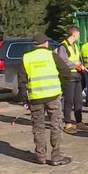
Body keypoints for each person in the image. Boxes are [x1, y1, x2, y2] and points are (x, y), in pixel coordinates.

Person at [18, 34, 72, 166]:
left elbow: (21, 81)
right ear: (46, 43)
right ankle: (56, 156)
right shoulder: (51, 56)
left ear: (34, 45)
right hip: (53, 96)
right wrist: (62, 90)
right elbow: (66, 73)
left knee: (38, 127)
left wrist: (24, 99)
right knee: (56, 125)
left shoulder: (26, 58)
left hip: (35, 98)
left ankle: (40, 156)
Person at [57, 25, 87, 134]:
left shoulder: (75, 45)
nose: (79, 36)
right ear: (74, 34)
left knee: (78, 100)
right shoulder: (63, 46)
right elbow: (63, 61)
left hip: (77, 76)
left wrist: (81, 67)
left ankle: (79, 122)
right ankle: (67, 124)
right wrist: (76, 66)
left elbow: (78, 59)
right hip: (68, 76)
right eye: (78, 34)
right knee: (68, 101)